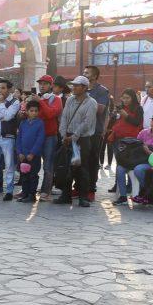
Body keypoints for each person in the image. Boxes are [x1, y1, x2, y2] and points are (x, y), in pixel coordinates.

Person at [54, 75, 98, 207]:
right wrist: (63, 135)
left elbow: (86, 123)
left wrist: (73, 137)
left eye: (77, 85)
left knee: (82, 168)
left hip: (82, 140)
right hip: (67, 137)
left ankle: (83, 196)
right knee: (66, 166)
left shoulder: (91, 103)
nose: (74, 87)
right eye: (73, 85)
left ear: (85, 87)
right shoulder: (70, 100)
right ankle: (65, 195)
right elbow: (64, 118)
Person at [113, 113, 153, 205]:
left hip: (151, 162)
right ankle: (123, 196)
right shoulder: (144, 132)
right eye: (152, 120)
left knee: (138, 169)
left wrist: (148, 151)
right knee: (120, 168)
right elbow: (135, 145)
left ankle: (148, 192)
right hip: (137, 158)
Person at [106, 89, 143, 194]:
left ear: (133, 98)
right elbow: (114, 121)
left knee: (130, 163)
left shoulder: (138, 108)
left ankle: (130, 185)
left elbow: (137, 123)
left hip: (131, 141)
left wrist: (126, 115)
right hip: (117, 139)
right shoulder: (120, 107)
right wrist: (114, 115)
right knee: (119, 163)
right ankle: (117, 185)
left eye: (127, 98)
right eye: (123, 98)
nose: (125, 100)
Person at [32, 75, 63, 199]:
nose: (42, 86)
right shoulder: (37, 98)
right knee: (32, 163)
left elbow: (51, 114)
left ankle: (46, 191)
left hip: (49, 136)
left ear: (51, 85)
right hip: (35, 136)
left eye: (45, 84)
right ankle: (29, 189)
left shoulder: (56, 99)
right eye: (40, 83)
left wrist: (40, 102)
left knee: (48, 165)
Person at [84, 66, 110, 202]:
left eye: (87, 73)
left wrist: (84, 100)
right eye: (83, 72)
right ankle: (79, 186)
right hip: (80, 131)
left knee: (92, 161)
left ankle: (90, 189)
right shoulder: (80, 89)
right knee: (80, 160)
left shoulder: (102, 91)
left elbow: (100, 109)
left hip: (94, 131)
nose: (84, 74)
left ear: (94, 76)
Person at [16, 100, 46, 203]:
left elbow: (40, 139)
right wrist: (19, 152)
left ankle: (31, 195)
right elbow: (19, 138)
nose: (34, 113)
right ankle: (25, 193)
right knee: (24, 175)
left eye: (36, 111)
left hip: (34, 156)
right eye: (31, 111)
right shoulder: (23, 123)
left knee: (33, 175)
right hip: (23, 155)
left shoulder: (40, 123)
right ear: (27, 111)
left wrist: (32, 153)